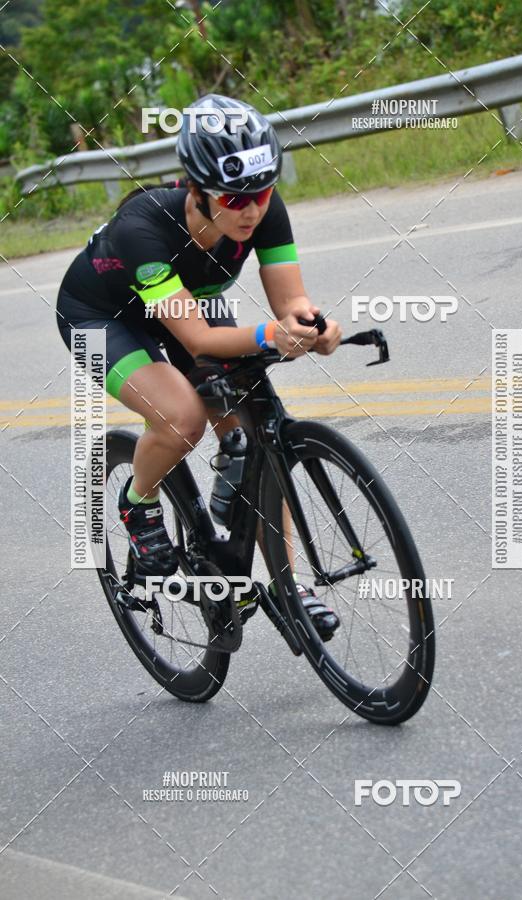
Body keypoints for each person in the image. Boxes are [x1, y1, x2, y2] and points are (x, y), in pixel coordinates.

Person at [56, 94, 341, 638]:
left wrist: (316, 328)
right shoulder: (143, 228)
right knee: (181, 417)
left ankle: (287, 582)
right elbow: (199, 337)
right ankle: (137, 503)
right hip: (102, 316)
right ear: (196, 188)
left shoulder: (264, 208)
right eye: (234, 199)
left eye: (260, 192)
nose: (251, 209)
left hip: (190, 305)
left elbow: (290, 304)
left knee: (253, 425)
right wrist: (270, 336)